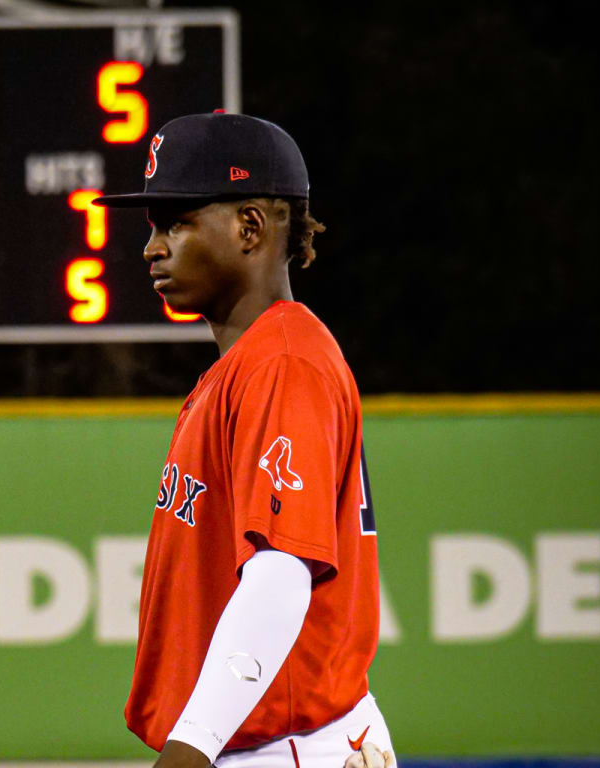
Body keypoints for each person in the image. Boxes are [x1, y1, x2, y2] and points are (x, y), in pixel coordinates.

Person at [93, 112, 397, 768]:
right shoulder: (252, 363)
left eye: (175, 221)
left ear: (250, 226)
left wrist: (191, 747)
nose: (152, 246)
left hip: (286, 746)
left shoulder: (283, 360)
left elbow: (281, 572)